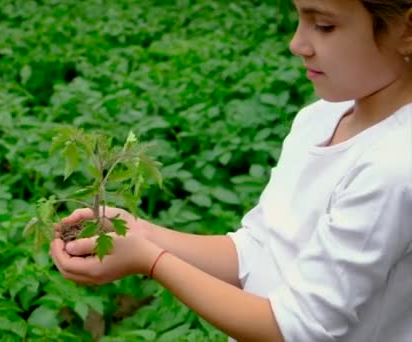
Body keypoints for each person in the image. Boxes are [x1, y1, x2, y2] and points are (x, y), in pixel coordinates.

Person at [49, 0, 412, 341]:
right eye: (298, 19)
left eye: (324, 26)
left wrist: (151, 261)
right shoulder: (321, 117)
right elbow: (257, 250)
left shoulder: (392, 167)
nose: (297, 43)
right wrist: (144, 234)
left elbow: (296, 329)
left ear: (406, 29)